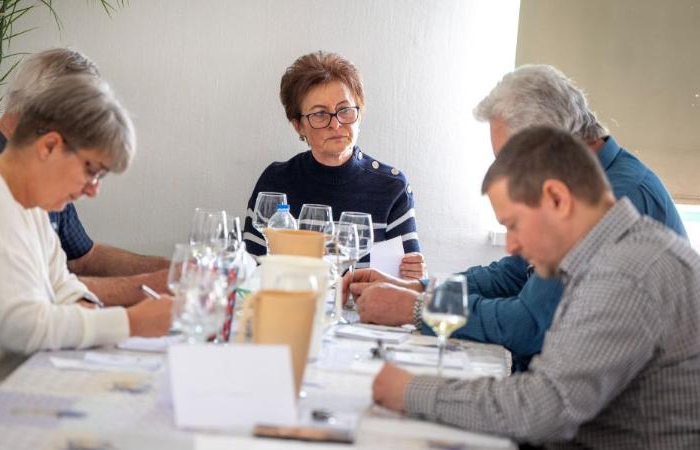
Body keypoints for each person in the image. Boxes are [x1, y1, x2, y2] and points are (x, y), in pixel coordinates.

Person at [373, 126, 700, 449]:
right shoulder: (610, 253)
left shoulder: (625, 272)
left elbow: (543, 409)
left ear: (557, 198)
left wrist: (412, 391)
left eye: (513, 225)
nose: (511, 246)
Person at [344, 65, 687, 370]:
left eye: (512, 160)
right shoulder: (581, 186)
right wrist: (417, 287)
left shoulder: (612, 201)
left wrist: (417, 308)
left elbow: (532, 324)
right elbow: (512, 275)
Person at [0, 75, 173, 391]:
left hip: (6, 380)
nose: (93, 191)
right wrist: (132, 323)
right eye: (92, 171)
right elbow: (19, 327)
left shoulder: (26, 199)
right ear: (49, 146)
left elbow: (61, 283)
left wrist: (91, 311)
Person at [0, 48, 168, 307]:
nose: (93, 189)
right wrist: (146, 297)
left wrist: (169, 272)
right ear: (53, 128)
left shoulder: (46, 172)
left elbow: (81, 258)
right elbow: (31, 300)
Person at [242, 51, 425, 279]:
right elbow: (250, 267)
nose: (336, 124)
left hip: (363, 314)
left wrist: (415, 275)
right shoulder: (275, 182)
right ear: (298, 125)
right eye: (320, 114)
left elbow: (406, 284)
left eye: (345, 110)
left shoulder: (391, 187)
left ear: (359, 111)